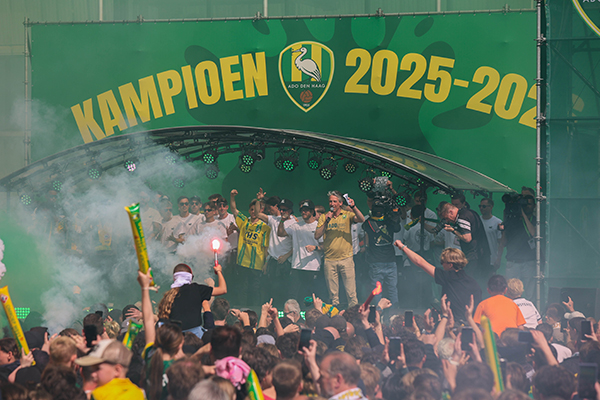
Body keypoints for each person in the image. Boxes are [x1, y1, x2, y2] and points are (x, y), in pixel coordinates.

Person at [394, 240, 481, 319]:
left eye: (442, 262)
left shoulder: (447, 277)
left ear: (450, 265)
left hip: (452, 323)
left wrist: (402, 247)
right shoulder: (473, 283)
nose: (441, 265)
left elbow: (419, 262)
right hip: (469, 323)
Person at [138, 269, 186, 400]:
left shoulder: (150, 355)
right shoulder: (180, 369)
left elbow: (148, 320)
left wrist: (145, 288)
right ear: (179, 344)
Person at [315, 191, 365, 308]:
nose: (332, 204)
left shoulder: (347, 215)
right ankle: (335, 313)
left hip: (346, 258)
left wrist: (353, 207)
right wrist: (326, 221)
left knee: (351, 291)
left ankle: (353, 312)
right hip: (330, 259)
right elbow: (317, 235)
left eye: (334, 201)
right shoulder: (324, 217)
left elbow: (361, 219)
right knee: (333, 294)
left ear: (340, 203)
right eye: (330, 201)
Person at [157, 262, 226, 338]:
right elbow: (223, 289)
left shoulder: (168, 296)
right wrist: (219, 271)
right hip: (196, 338)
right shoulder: (197, 289)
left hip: (176, 338)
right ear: (191, 277)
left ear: (174, 278)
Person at [230, 189, 271, 306]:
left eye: (255, 209)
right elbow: (234, 210)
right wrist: (232, 197)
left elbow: (266, 247)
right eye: (251, 210)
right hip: (242, 262)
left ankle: (255, 311)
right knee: (241, 287)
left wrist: (265, 263)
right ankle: (242, 309)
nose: (253, 212)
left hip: (256, 264)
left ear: (261, 210)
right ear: (249, 210)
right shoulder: (244, 221)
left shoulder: (265, 227)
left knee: (255, 289)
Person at [277, 199, 322, 303]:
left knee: (309, 295)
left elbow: (324, 247)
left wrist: (315, 248)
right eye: (302, 210)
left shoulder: (318, 226)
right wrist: (282, 221)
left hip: (312, 266)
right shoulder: (296, 226)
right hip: (296, 266)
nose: (303, 212)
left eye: (306, 210)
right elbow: (281, 233)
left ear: (312, 211)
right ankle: (292, 312)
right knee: (292, 293)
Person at [440, 202, 491, 289]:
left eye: (447, 218)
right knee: (481, 281)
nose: (448, 221)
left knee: (470, 281)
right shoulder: (470, 212)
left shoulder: (462, 217)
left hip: (474, 255)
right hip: (482, 254)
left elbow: (467, 238)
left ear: (451, 212)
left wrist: (453, 230)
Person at [361, 196, 401, 305]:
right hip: (386, 261)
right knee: (392, 289)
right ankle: (392, 310)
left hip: (379, 261)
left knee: (378, 290)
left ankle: (379, 311)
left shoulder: (370, 222)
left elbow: (397, 228)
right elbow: (397, 227)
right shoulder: (386, 221)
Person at [74, 339, 144, 400]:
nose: (93, 374)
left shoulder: (99, 394)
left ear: (117, 370)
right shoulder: (138, 393)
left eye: (97, 368)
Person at [498, 195, 536, 301]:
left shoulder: (534, 220)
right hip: (513, 261)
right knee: (511, 291)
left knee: (529, 293)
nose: (526, 206)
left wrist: (523, 214)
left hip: (529, 262)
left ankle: (528, 309)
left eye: (529, 204)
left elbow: (533, 233)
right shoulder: (512, 219)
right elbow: (504, 242)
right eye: (524, 205)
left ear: (534, 206)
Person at [478, 198, 503, 271]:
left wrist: (498, 259)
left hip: (492, 259)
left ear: (491, 207)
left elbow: (500, 243)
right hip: (478, 258)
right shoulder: (477, 220)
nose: (481, 208)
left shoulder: (497, 222)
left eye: (484, 206)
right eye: (480, 206)